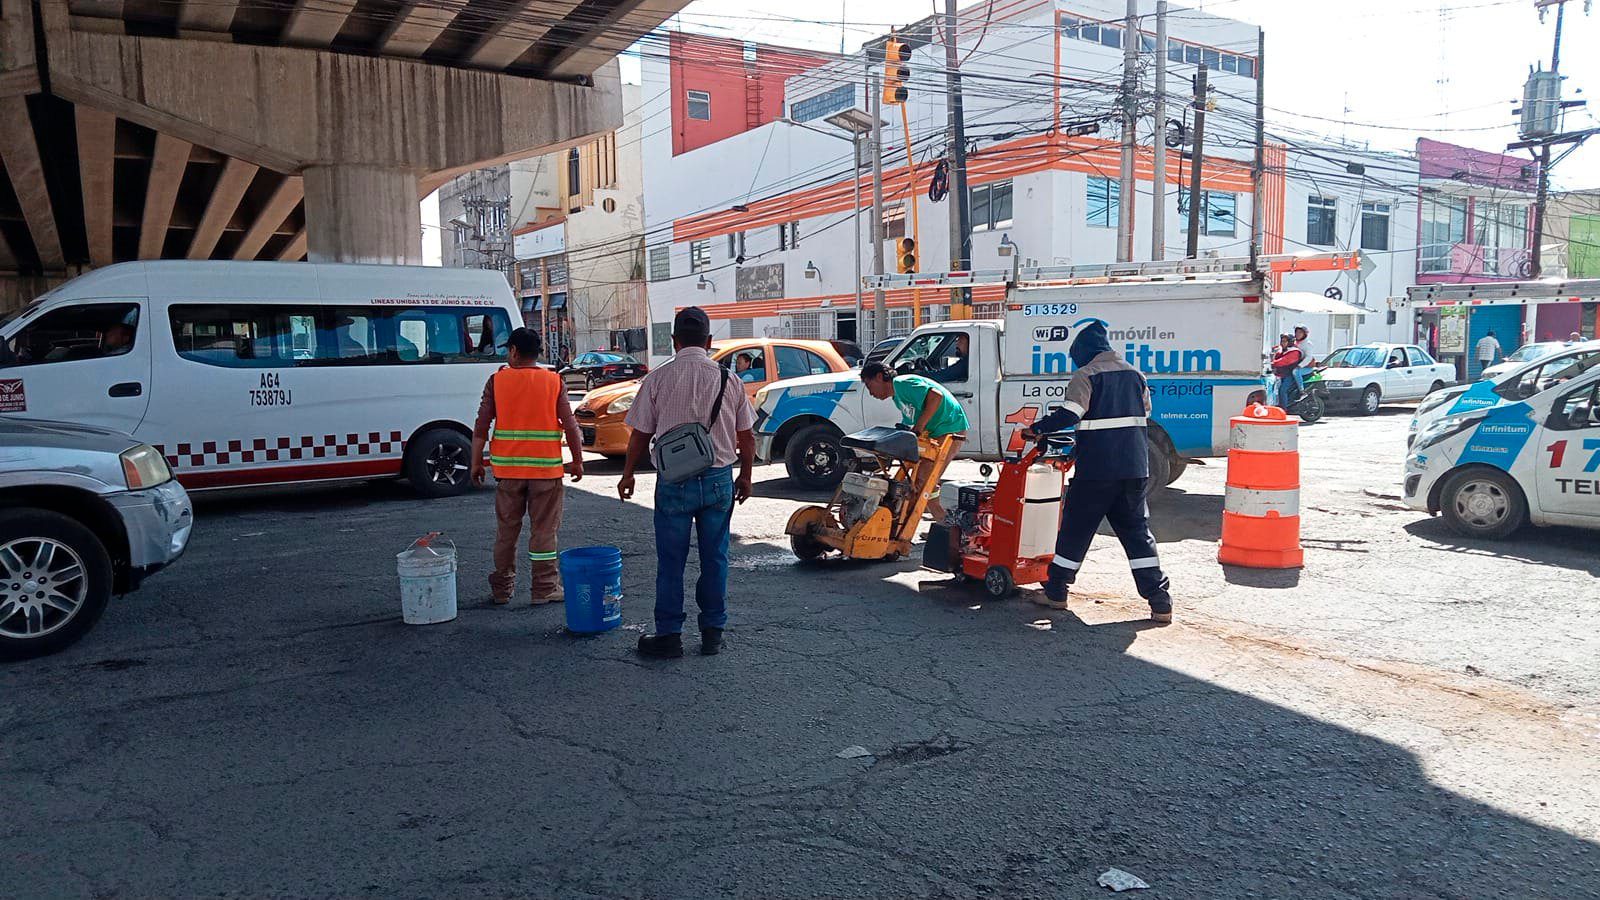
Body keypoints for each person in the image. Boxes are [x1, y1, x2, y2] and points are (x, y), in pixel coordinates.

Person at [619, 307, 756, 659]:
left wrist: (629, 473)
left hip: (673, 481)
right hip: (718, 480)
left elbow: (639, 435)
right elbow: (747, 436)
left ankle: (669, 636)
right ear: (709, 342)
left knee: (671, 561)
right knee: (715, 558)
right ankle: (712, 632)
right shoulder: (730, 380)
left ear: (674, 341)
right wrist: (746, 476)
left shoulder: (658, 379)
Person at [1020, 320, 1173, 622]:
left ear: (1084, 352)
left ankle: (1056, 591)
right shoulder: (1136, 375)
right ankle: (1160, 601)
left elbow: (1070, 414)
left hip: (1097, 471)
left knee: (1076, 529)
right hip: (1134, 469)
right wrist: (1077, 448)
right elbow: (1133, 419)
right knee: (1137, 533)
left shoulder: (1086, 375)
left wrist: (1036, 429)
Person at [470, 328, 585, 606]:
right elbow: (570, 424)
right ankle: (544, 587)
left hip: (508, 474)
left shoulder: (497, 381)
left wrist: (476, 462)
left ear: (513, 351)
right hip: (546, 473)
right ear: (537, 353)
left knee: (506, 532)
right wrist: (578, 460)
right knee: (544, 531)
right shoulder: (553, 381)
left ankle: (502, 588)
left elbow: (481, 425)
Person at [859, 361, 970, 523]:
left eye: (869, 386)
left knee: (923, 481)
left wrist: (918, 429)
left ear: (879, 376)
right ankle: (942, 523)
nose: (870, 393)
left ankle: (943, 524)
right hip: (936, 430)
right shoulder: (897, 398)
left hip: (949, 427)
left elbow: (935, 396)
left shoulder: (902, 384)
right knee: (919, 483)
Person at [1270, 334, 1304, 409]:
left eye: (1284, 341)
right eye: (1282, 341)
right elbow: (1277, 355)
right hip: (1281, 374)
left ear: (1290, 342)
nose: (1282, 343)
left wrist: (1272, 363)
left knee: (1282, 390)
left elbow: (1282, 361)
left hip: (1290, 375)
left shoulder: (1294, 352)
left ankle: (1283, 409)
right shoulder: (1283, 350)